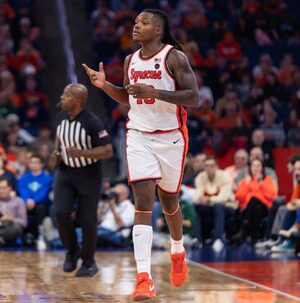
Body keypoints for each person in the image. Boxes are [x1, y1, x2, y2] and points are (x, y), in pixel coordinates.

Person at [83, 8, 199, 301]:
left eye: (144, 22)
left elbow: (193, 98)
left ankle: (177, 249)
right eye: (135, 21)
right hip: (138, 135)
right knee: (143, 200)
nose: (136, 25)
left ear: (158, 30)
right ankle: (143, 278)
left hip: (171, 137)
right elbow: (128, 96)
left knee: (169, 199)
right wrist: (104, 85)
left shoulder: (174, 57)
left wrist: (156, 92)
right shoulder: (129, 60)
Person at [52, 83, 113, 277]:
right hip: (65, 172)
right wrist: (56, 154)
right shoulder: (61, 117)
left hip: (89, 174)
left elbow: (107, 150)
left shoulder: (92, 122)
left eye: (66, 95)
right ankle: (72, 250)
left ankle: (88, 262)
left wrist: (82, 152)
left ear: (78, 100)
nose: (62, 98)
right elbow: (59, 139)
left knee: (87, 219)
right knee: (61, 212)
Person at [0, 176, 27, 246]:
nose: (1, 191)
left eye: (4, 188)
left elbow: (24, 222)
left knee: (17, 228)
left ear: (10, 188)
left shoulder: (18, 201)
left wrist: (11, 219)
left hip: (10, 227)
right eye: (0, 188)